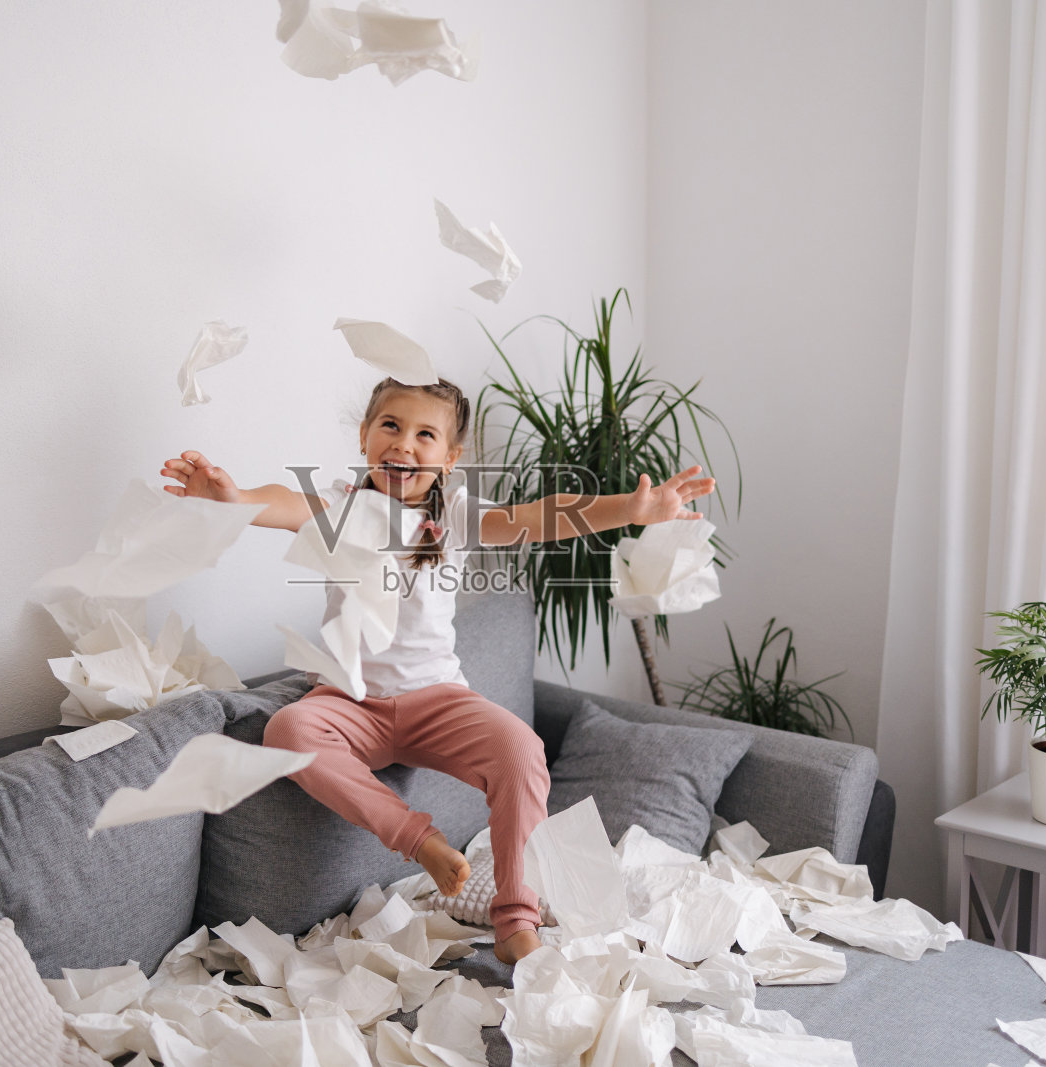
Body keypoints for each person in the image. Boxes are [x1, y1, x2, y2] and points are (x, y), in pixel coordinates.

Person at [161, 376, 715, 963]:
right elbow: (286, 502)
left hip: (436, 700)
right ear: (365, 436)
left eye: (426, 434)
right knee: (288, 732)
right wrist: (233, 499)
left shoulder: (454, 513)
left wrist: (629, 510)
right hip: (349, 704)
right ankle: (420, 841)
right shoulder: (344, 507)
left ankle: (515, 920)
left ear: (450, 458)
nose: (404, 444)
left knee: (522, 751)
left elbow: (541, 516)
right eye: (391, 427)